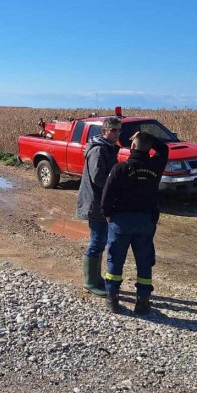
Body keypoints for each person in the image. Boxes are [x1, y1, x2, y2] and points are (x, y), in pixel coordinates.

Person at [100, 131, 169, 315]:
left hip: (121, 221)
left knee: (115, 259)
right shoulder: (156, 166)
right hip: (145, 221)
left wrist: (107, 214)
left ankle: (112, 298)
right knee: (144, 261)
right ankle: (143, 302)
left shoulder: (120, 169)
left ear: (132, 146)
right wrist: (148, 137)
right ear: (148, 148)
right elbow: (164, 149)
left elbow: (107, 196)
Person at [76, 116, 122, 296]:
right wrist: (115, 185)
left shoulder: (109, 149)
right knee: (97, 241)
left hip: (101, 202)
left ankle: (95, 279)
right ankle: (89, 282)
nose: (116, 134)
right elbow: (98, 178)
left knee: (100, 241)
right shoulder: (99, 151)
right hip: (95, 203)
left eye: (119, 130)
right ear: (104, 132)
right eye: (113, 130)